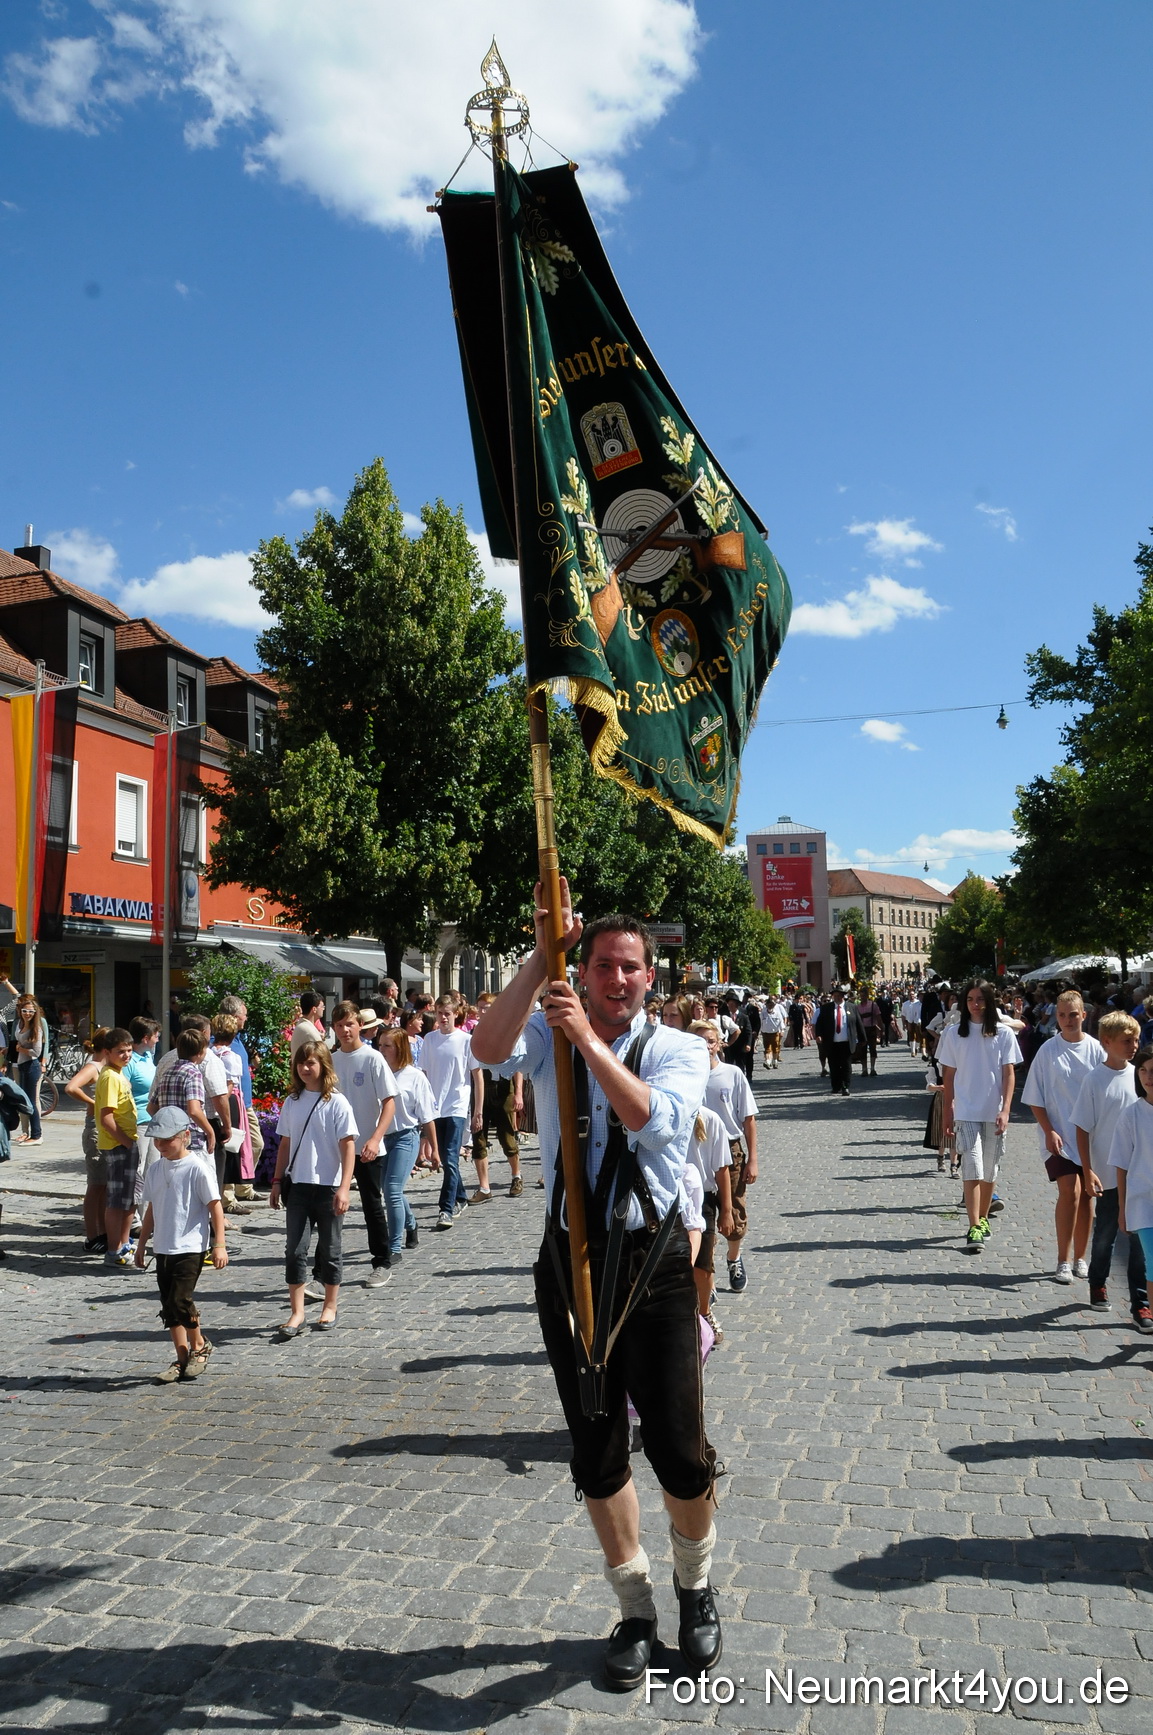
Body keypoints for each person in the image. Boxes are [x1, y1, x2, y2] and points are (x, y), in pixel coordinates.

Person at [471, 889, 721, 1691]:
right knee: (596, 1446)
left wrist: (585, 1037)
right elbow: (484, 1047)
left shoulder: (681, 1048)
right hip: (569, 1258)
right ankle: (636, 1606)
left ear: (651, 976)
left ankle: (694, 1586)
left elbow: (654, 1119)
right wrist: (538, 950)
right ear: (581, 969)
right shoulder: (548, 1028)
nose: (617, 978)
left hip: (651, 1263)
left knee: (681, 1452)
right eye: (602, 965)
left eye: (630, 967)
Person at [133, 1106, 229, 1382]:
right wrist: (142, 1245)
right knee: (169, 1306)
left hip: (190, 1246)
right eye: (157, 1140)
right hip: (163, 1246)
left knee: (180, 1299)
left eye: (167, 1140)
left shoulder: (196, 1167)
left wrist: (219, 1244)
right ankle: (181, 1357)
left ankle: (199, 1344)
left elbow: (215, 1207)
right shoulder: (155, 1168)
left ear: (185, 1136)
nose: (161, 1145)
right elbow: (150, 1210)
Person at [269, 1041, 357, 1336]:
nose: (305, 1069)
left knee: (330, 1249)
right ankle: (297, 1313)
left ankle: (330, 1305)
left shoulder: (337, 1103)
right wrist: (277, 1181)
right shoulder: (292, 1102)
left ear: (323, 1066)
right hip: (299, 1186)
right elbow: (284, 1143)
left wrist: (344, 1187)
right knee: (295, 1250)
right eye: (301, 1063)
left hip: (329, 1186)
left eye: (311, 1063)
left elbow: (348, 1147)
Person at [1022, 989, 1106, 1283]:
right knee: (1069, 1192)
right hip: (1058, 1135)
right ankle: (1063, 1260)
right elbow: (1035, 1095)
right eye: (1062, 1015)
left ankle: (1082, 1257)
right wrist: (1049, 1130)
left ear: (1084, 1015)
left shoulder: (1097, 1050)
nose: (1068, 1021)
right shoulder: (1048, 1051)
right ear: (1055, 1016)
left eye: (1073, 1015)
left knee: (1086, 1197)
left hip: (1090, 1137)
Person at [1074, 1012, 1148, 1327]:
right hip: (1106, 1173)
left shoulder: (1140, 1076)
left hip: (1139, 1176)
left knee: (1139, 1243)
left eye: (1136, 1039)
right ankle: (1098, 1281)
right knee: (1105, 1234)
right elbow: (1082, 1128)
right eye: (1127, 1041)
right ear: (1107, 1043)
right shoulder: (1094, 1080)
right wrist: (1087, 1169)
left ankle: (1141, 1303)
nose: (1134, 1046)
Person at [936, 982, 1021, 1254]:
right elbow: (948, 1076)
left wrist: (1006, 1109)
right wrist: (948, 1111)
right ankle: (973, 1225)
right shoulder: (953, 1034)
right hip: (966, 1112)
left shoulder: (1004, 1034)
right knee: (971, 1166)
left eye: (981, 999)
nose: (975, 1004)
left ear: (990, 1002)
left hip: (993, 1112)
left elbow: (1009, 1074)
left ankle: (983, 1218)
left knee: (989, 1170)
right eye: (971, 999)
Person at [329, 1001, 398, 1287]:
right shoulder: (331, 1060)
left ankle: (381, 1262)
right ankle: (325, 1271)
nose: (345, 1030)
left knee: (372, 1206)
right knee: (329, 1209)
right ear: (333, 1028)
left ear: (360, 1026)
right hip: (338, 1149)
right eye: (340, 1025)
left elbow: (389, 1102)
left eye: (350, 1024)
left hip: (368, 1148)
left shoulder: (372, 1058)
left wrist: (375, 1137)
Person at [691, 1020, 758, 1294]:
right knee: (700, 1212)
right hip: (697, 1149)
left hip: (730, 1149)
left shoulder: (732, 1074)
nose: (706, 1046)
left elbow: (748, 1119)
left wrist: (752, 1158)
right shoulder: (686, 1076)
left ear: (719, 1043)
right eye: (699, 1041)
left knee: (733, 1210)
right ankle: (707, 1275)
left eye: (710, 1040)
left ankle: (733, 1257)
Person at [419, 995, 483, 1230]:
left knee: (450, 1156)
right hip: (435, 1107)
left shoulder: (466, 1040)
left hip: (456, 1105)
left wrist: (478, 1111)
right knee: (447, 1160)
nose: (443, 1017)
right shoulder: (429, 1039)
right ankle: (461, 1196)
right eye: (439, 1013)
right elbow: (423, 1074)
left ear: (455, 1014)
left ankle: (445, 1208)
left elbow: (477, 1076)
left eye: (447, 1013)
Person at [375, 1025, 438, 1261]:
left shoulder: (415, 1077)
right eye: (379, 1045)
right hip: (382, 1139)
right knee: (390, 1190)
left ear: (400, 1048)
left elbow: (427, 1117)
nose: (381, 1050)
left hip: (406, 1137)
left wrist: (434, 1149)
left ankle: (394, 1248)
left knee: (392, 1190)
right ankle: (411, 1223)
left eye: (387, 1046)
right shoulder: (378, 1072)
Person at [94, 1028, 144, 1269]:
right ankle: (114, 1250)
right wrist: (126, 1142)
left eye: (129, 1050)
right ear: (107, 1052)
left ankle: (124, 1243)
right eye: (120, 1051)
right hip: (118, 1145)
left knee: (129, 1199)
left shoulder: (118, 1073)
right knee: (117, 1201)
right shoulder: (110, 1077)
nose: (126, 1055)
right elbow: (106, 1117)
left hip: (126, 1143)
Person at [470, 992, 524, 1201]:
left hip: (503, 1087)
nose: (484, 1011)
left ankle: (516, 1176)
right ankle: (484, 1187)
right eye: (481, 1007)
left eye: (488, 1007)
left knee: (506, 1135)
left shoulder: (506, 1032)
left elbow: (519, 1063)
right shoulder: (473, 1033)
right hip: (481, 1087)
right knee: (479, 1137)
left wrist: (518, 1091)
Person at [67, 1029, 112, 1253]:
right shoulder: (93, 1067)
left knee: (104, 1185)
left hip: (106, 1129)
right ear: (106, 1048)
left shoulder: (106, 1068)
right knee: (96, 1185)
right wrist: (93, 1102)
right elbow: (71, 1087)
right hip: (95, 1129)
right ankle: (92, 1235)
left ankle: (103, 1232)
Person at [125, 1017, 160, 1177]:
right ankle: (136, 1202)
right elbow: (123, 1092)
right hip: (138, 1122)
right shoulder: (129, 1061)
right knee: (139, 1167)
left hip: (152, 1118)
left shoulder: (147, 1056)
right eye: (156, 1035)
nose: (158, 1039)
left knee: (153, 1167)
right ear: (145, 1038)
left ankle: (148, 1202)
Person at [814, 989, 865, 1098]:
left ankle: (845, 1086)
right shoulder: (826, 1008)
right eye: (835, 996)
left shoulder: (852, 1007)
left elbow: (858, 1023)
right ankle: (835, 1086)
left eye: (839, 996)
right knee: (834, 1065)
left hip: (846, 1042)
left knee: (846, 1065)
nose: (837, 998)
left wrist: (862, 1038)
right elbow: (819, 1023)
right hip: (832, 1042)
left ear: (843, 996)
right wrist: (818, 1035)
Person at [10, 993, 46, 1145]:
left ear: (35, 1012)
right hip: (21, 1065)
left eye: (31, 1011)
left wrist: (21, 1049)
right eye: (25, 1011)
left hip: (32, 1066)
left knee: (31, 1101)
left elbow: (36, 1052)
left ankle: (36, 1135)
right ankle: (29, 1133)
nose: (28, 1014)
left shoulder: (36, 1027)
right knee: (25, 1100)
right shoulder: (19, 1024)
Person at [290, 991, 327, 1058]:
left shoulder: (302, 1025)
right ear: (314, 1009)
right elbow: (323, 1057)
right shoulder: (308, 1030)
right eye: (322, 1006)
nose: (323, 1009)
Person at [760, 995, 786, 1069]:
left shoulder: (777, 1013)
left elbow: (781, 1022)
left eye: (771, 1005)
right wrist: (759, 1031)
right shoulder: (763, 1013)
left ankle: (775, 1061)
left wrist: (782, 1030)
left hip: (775, 1033)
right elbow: (760, 1022)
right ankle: (768, 1062)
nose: (770, 1006)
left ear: (774, 1005)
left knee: (775, 1047)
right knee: (767, 1048)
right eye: (768, 1004)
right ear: (766, 1005)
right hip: (765, 1033)